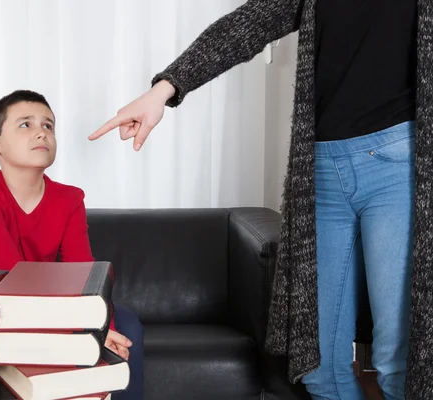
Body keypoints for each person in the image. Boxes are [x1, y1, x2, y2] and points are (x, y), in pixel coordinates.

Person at [89, 1, 433, 399]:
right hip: (318, 170)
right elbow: (246, 26)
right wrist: (163, 90)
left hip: (400, 162)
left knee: (402, 365)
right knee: (319, 368)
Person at [0, 89, 144, 399]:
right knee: (37, 339)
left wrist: (102, 326)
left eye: (48, 125)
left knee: (127, 326)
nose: (41, 132)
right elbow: (11, 279)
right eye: (26, 125)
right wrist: (82, 330)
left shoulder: (69, 199)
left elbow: (84, 275)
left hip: (51, 306)